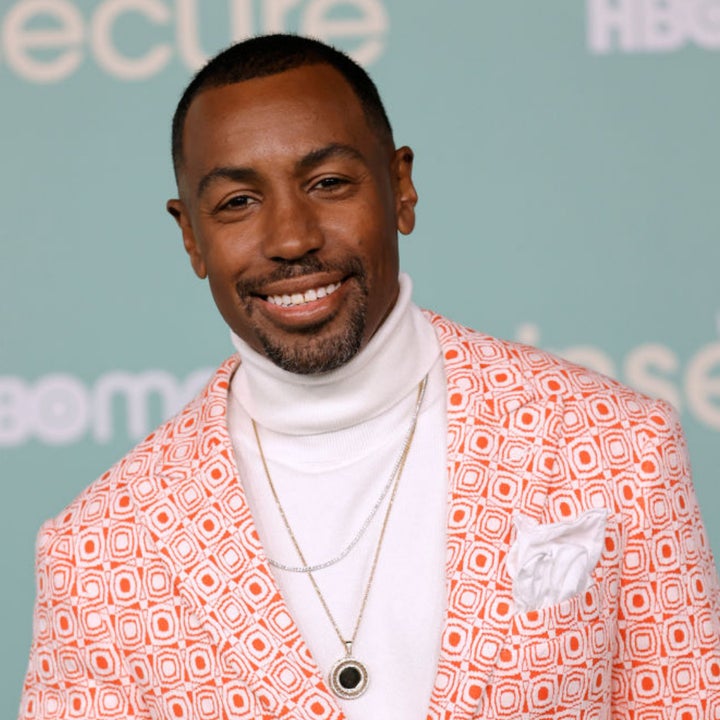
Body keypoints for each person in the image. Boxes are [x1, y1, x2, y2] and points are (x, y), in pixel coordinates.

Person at [18, 34, 720, 720]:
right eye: (238, 202)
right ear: (190, 238)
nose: (292, 238)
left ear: (401, 189)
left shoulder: (615, 443)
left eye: (328, 184)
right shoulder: (102, 551)